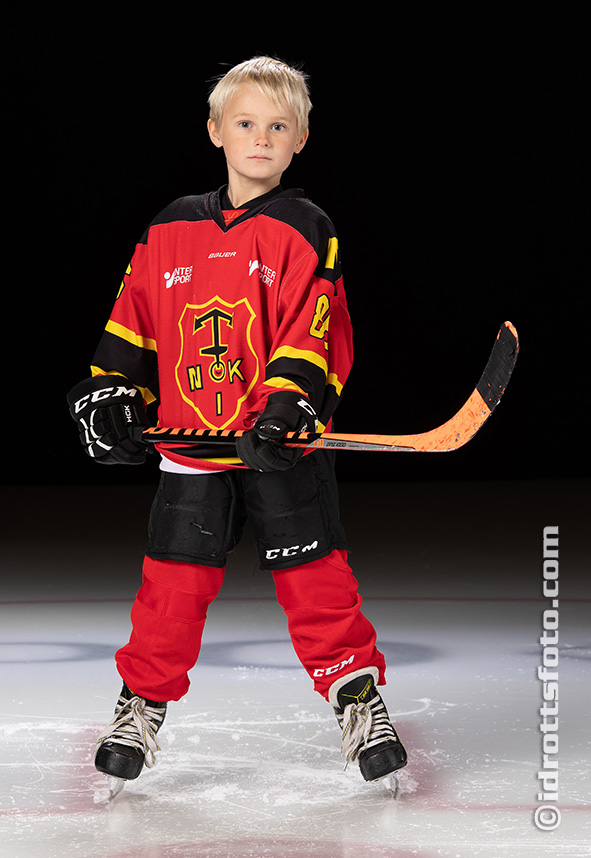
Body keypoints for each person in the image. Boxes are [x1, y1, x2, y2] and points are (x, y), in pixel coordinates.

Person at [67, 56, 407, 787]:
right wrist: (111, 392)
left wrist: (286, 410)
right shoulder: (169, 227)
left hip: (277, 446)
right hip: (192, 449)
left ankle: (357, 700)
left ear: (300, 140)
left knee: (316, 580)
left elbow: (314, 328)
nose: (261, 138)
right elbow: (134, 321)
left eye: (278, 127)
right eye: (246, 123)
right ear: (215, 130)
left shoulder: (304, 227)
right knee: (170, 589)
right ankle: (140, 704)